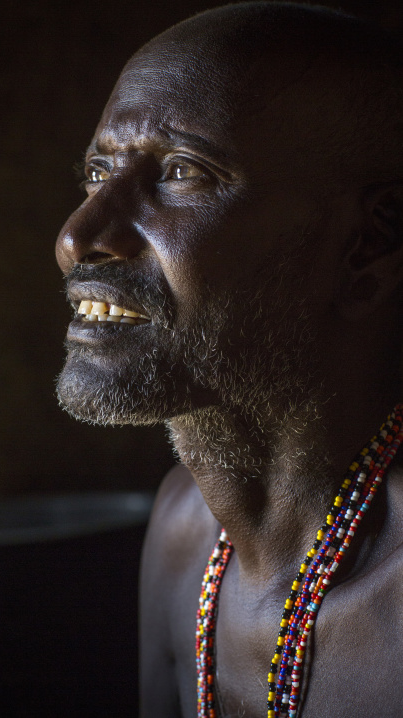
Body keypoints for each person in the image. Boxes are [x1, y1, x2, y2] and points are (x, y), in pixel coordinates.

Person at [55, 2, 403, 716]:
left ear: (368, 246)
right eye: (97, 172)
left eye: (182, 171)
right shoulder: (186, 532)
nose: (79, 235)